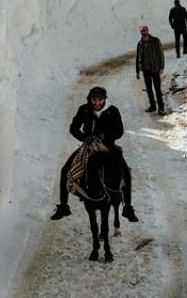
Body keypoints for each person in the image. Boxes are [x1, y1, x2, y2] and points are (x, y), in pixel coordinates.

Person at [50, 86, 137, 222]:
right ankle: (63, 206)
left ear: (104, 100)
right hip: (88, 146)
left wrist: (106, 137)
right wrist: (85, 138)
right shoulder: (84, 109)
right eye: (94, 100)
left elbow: (119, 131)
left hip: (108, 147)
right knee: (65, 170)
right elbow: (73, 128)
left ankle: (128, 208)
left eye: (100, 100)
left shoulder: (113, 111)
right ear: (90, 100)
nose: (97, 103)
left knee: (124, 171)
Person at [135, 25, 166, 114]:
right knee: (149, 89)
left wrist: (161, 67)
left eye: (145, 31)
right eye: (142, 31)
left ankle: (161, 107)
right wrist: (137, 71)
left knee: (157, 89)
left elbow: (161, 55)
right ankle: (153, 106)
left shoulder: (155, 41)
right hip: (146, 70)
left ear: (148, 31)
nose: (143, 32)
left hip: (155, 69)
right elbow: (138, 58)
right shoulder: (140, 44)